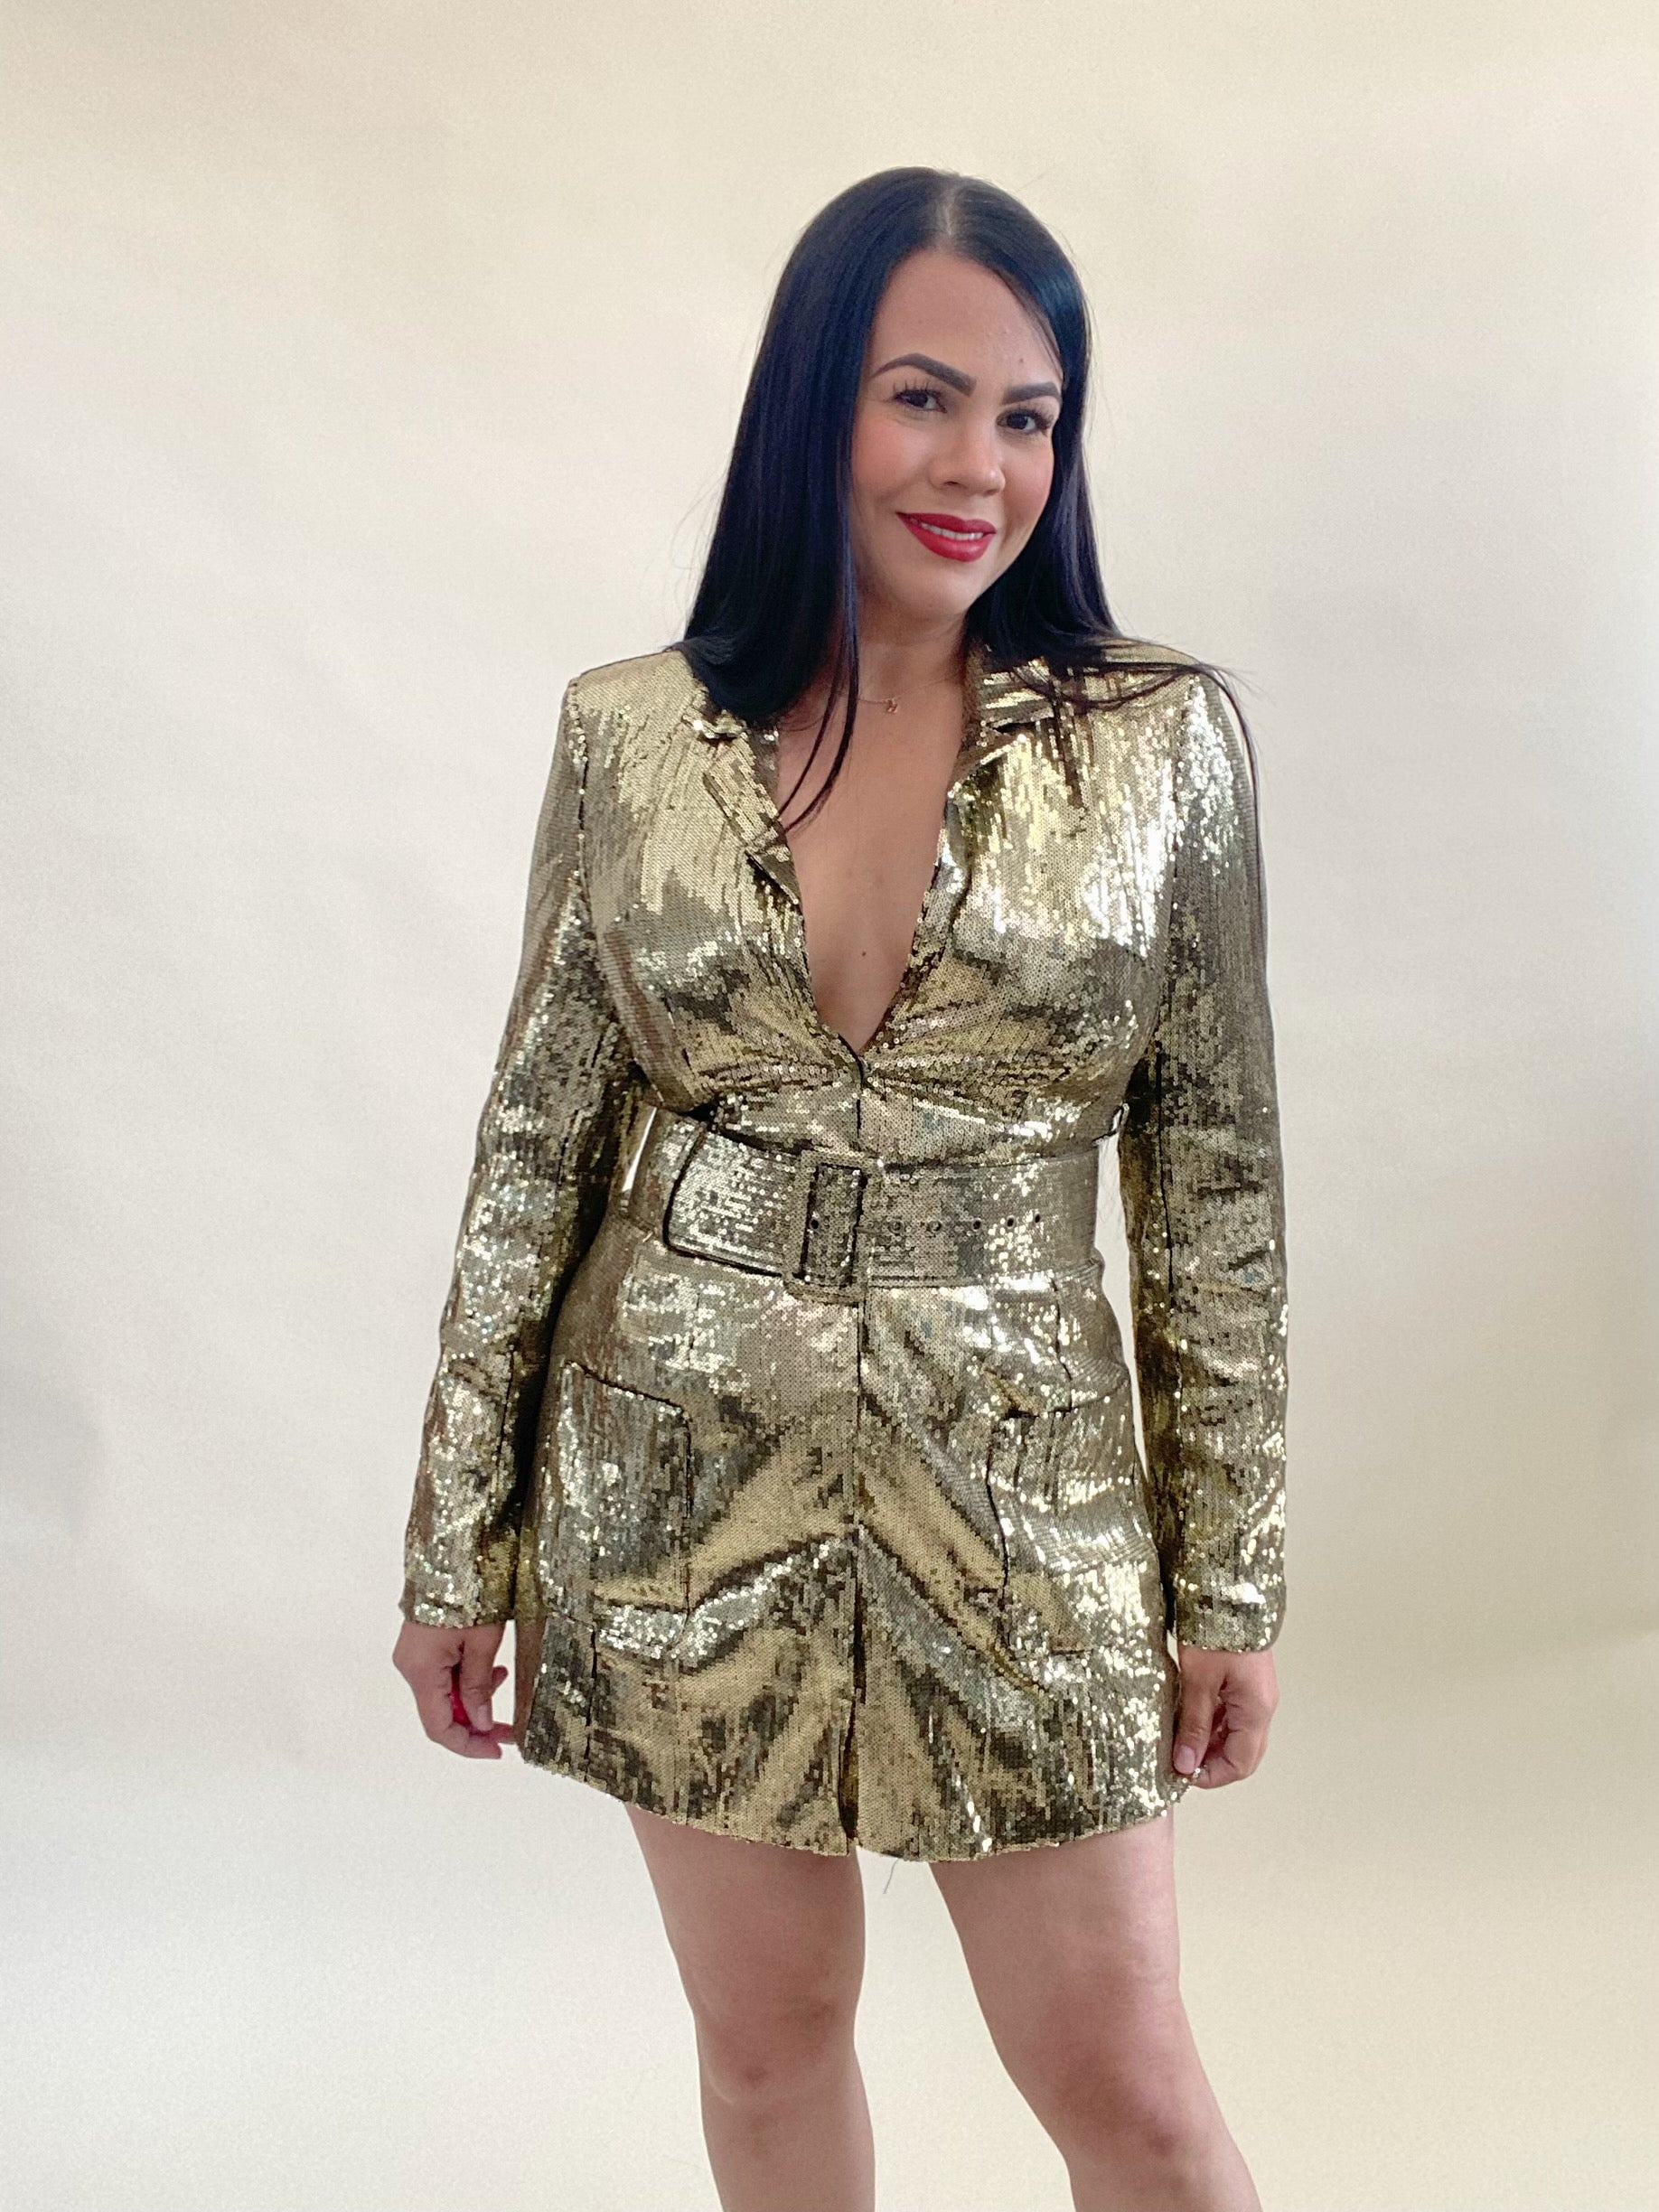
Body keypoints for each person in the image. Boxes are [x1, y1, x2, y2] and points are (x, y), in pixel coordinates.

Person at [392, 166, 1289, 2212]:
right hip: (676, 1481)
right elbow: (534, 1154)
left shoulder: (1160, 747)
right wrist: (459, 1541)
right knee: (768, 2041)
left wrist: (1228, 1577)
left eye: (1029, 417)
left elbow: (1216, 1189)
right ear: (815, 405)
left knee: (1132, 2090)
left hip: (1029, 1490)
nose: (981, 468)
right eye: (922, 398)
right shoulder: (630, 737)